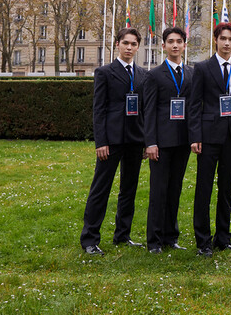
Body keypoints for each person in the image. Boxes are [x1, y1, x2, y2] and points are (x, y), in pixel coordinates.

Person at [80, 27, 147, 255]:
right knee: (101, 188)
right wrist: (101, 142)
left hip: (135, 140)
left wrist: (146, 140)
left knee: (129, 189)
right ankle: (90, 239)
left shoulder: (142, 74)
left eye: (133, 44)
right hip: (111, 141)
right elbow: (99, 110)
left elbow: (145, 111)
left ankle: (122, 235)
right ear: (117, 44)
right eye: (125, 43)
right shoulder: (105, 72)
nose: (129, 47)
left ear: (138, 47)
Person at [187, 22, 231, 257]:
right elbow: (194, 105)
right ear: (216, 40)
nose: (226, 43)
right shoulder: (202, 68)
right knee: (204, 189)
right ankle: (203, 241)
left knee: (226, 188)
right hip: (208, 137)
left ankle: (223, 237)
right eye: (222, 38)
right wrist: (195, 136)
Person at [144, 26, 193, 253]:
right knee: (158, 191)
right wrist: (150, 142)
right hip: (161, 143)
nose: (175, 45)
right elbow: (150, 110)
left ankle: (170, 237)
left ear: (184, 45)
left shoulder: (192, 74)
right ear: (163, 46)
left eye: (179, 41)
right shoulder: (154, 75)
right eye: (171, 41)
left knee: (175, 190)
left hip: (183, 141)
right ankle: (154, 241)